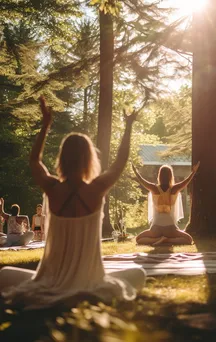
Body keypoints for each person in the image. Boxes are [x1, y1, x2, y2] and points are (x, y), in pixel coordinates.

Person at [0, 96, 145, 309]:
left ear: (62, 158)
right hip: (90, 282)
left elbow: (34, 161)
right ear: (89, 159)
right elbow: (119, 163)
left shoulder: (52, 188)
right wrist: (128, 125)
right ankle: (80, 295)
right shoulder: (96, 189)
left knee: (4, 274)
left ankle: (63, 294)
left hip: (51, 282)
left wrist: (45, 125)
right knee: (139, 273)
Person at [132, 163, 199, 246]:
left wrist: (135, 171)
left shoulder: (154, 188)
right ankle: (167, 240)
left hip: (156, 228)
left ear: (159, 176)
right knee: (189, 239)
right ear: (171, 176)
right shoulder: (174, 188)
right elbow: (186, 182)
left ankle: (158, 239)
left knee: (138, 239)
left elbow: (142, 181)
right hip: (170, 228)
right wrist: (193, 172)